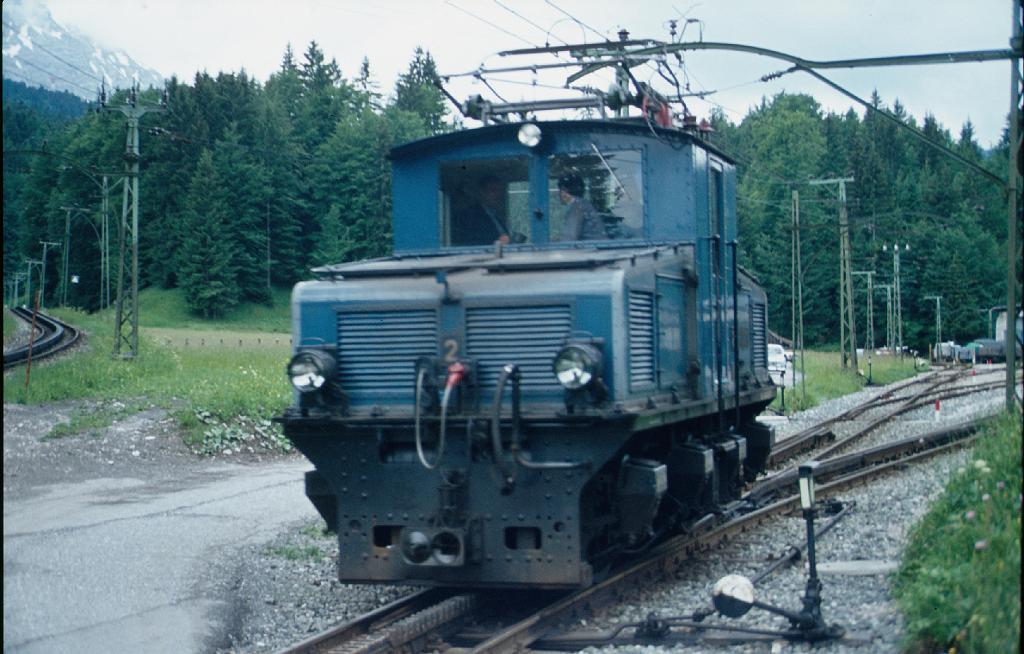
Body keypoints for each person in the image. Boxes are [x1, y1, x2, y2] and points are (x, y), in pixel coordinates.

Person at [450, 175, 510, 245]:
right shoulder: (470, 215)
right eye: (493, 190)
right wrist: (497, 243)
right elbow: (470, 242)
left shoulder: (496, 216)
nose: (498, 194)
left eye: (500, 191)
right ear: (482, 192)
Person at [557, 174, 605, 241]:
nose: (558, 194)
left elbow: (569, 239)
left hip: (589, 249)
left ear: (564, 191)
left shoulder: (577, 208)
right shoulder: (584, 204)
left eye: (560, 190)